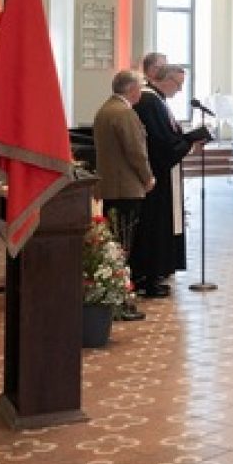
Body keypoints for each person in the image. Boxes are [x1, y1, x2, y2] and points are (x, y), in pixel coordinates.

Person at [132, 64, 200, 298]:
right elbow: (161, 143)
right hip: (156, 175)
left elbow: (168, 136)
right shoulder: (150, 101)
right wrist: (187, 142)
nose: (179, 90)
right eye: (178, 84)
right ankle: (149, 275)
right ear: (166, 80)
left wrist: (185, 140)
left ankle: (156, 273)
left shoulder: (157, 101)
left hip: (161, 174)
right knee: (154, 224)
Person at [91, 69, 154, 322]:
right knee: (124, 246)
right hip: (126, 188)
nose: (141, 92)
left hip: (110, 186)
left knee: (115, 244)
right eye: (140, 87)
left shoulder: (105, 110)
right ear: (131, 89)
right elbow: (136, 151)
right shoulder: (124, 113)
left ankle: (115, 298)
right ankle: (122, 302)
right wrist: (147, 177)